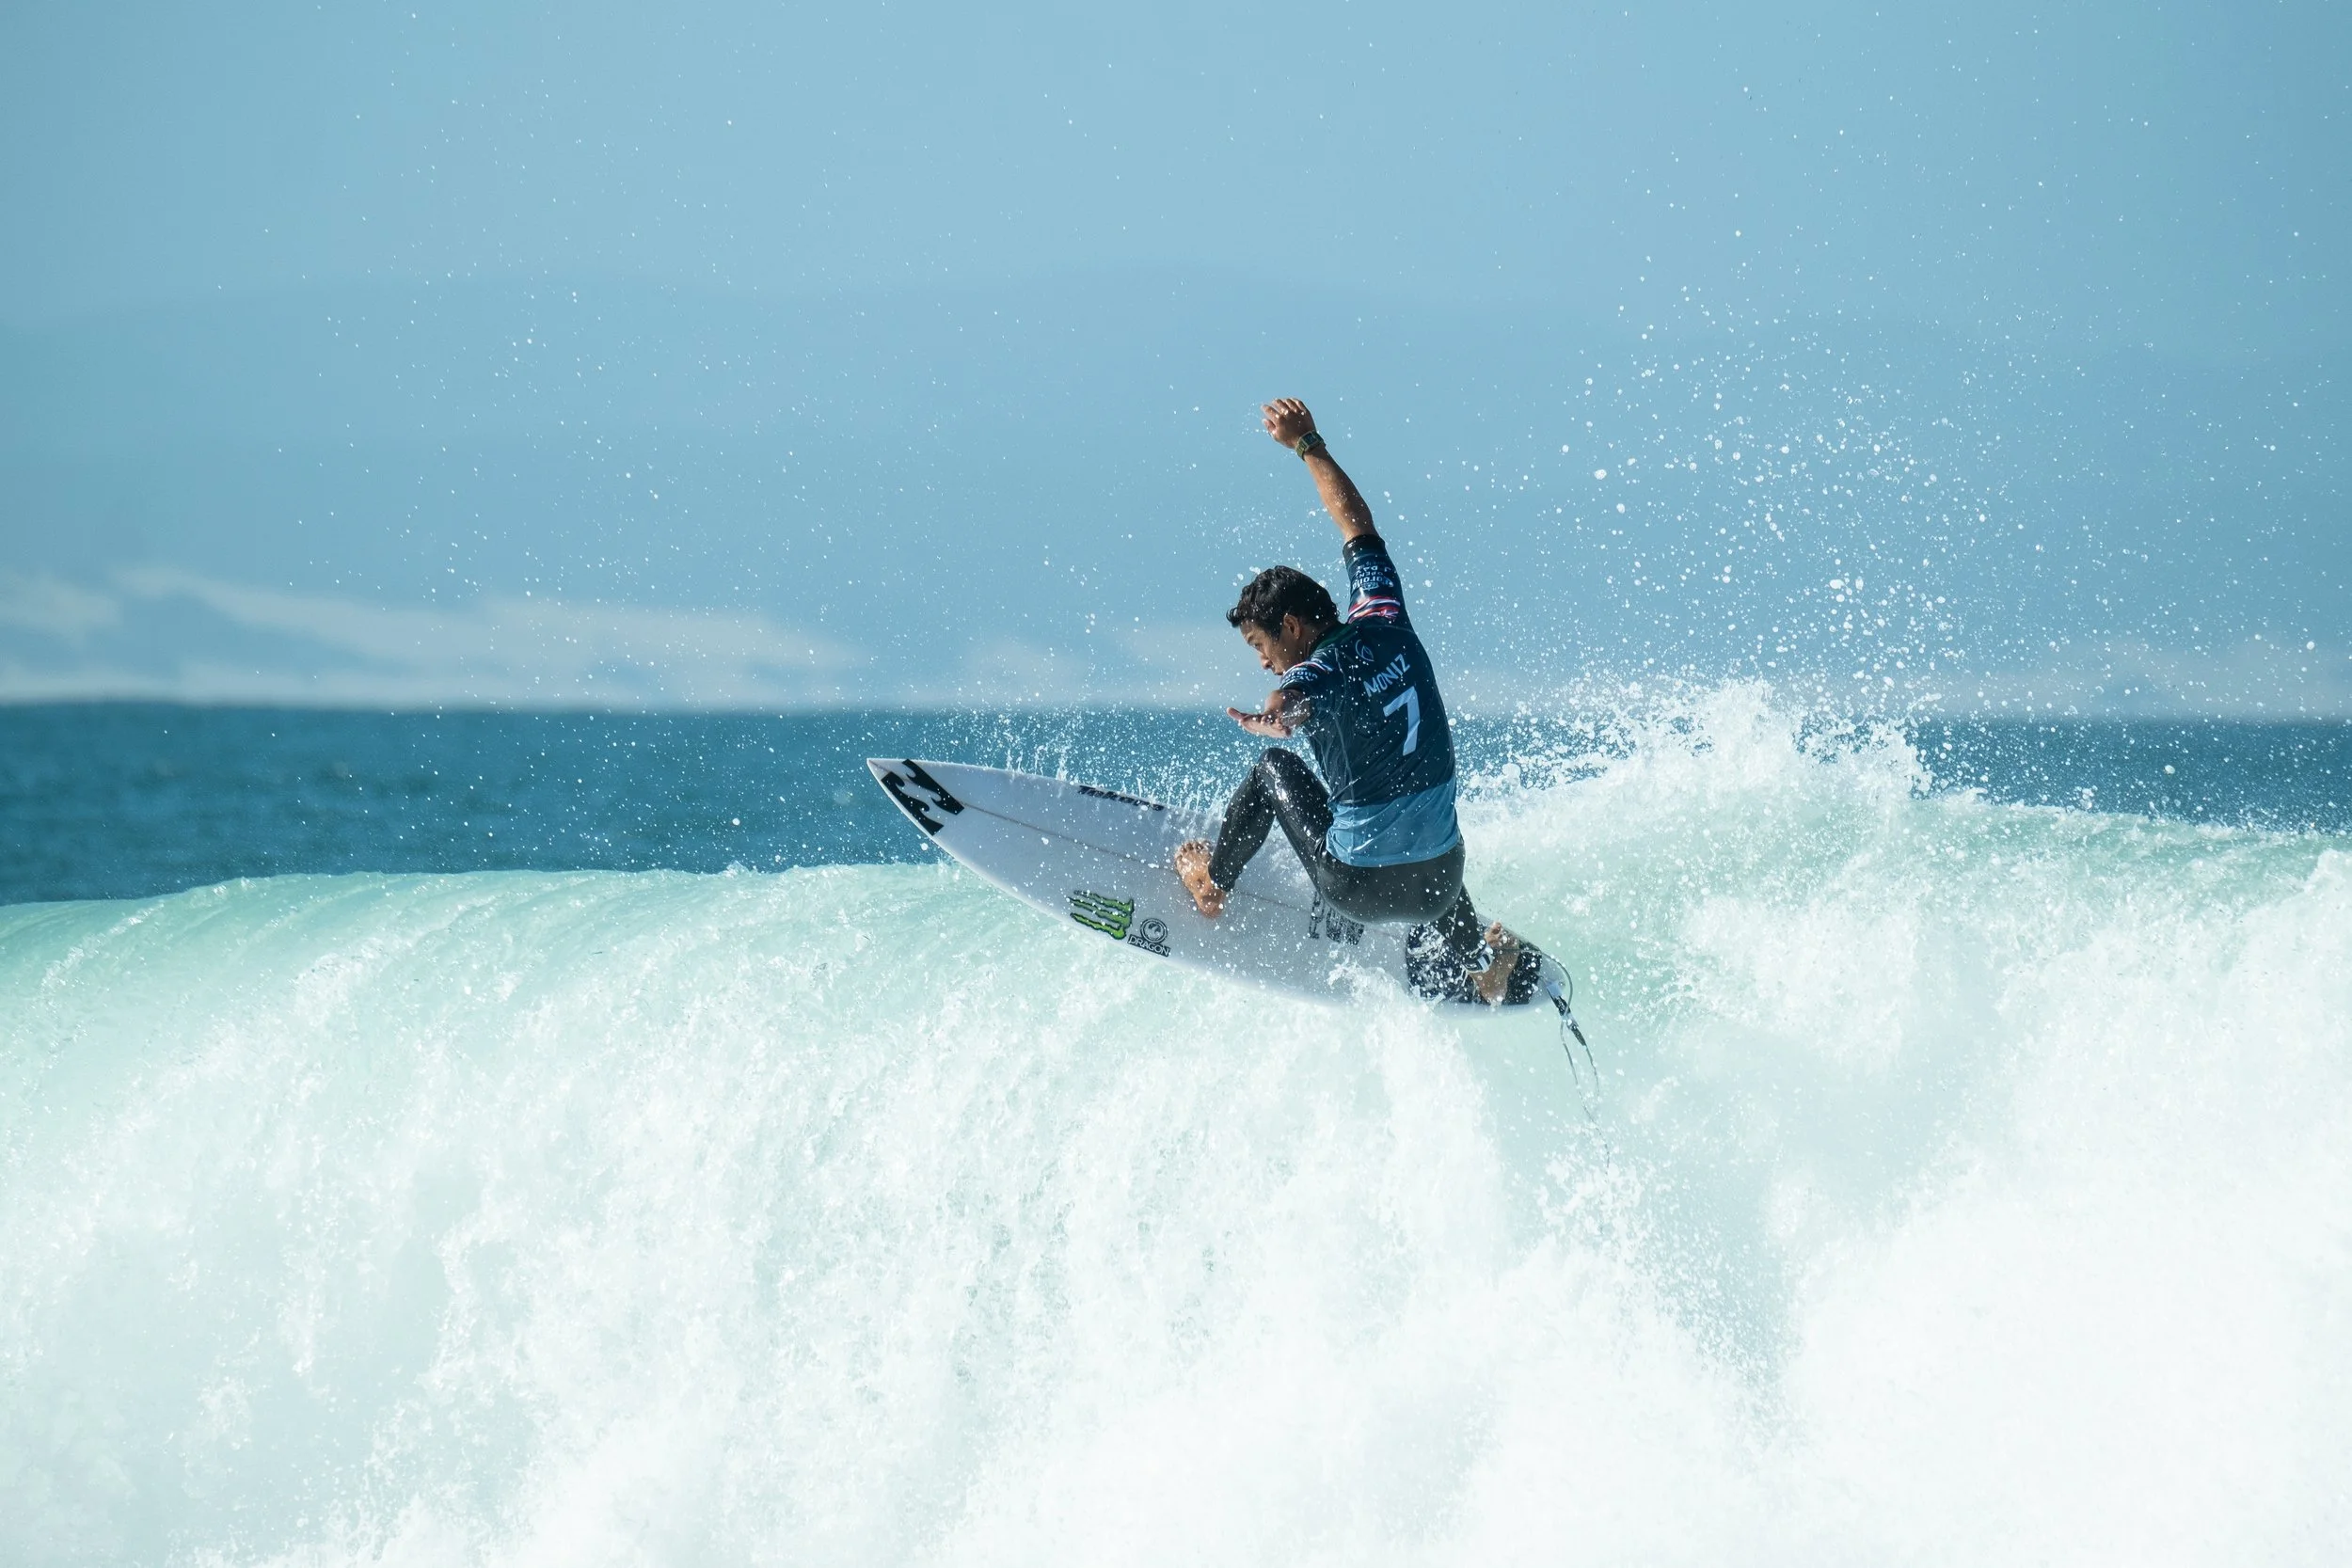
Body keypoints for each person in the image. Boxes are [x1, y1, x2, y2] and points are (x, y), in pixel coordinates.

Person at [1174, 398, 1542, 1006]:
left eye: (1260, 644)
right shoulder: (1385, 613)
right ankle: (1478, 959)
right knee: (1422, 813)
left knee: (1273, 770)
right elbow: (1356, 524)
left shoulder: (1317, 671)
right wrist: (1307, 443)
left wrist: (1273, 717)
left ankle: (1211, 882)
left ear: (1291, 626)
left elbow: (1292, 697)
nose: (1262, 659)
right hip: (1441, 888)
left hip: (1356, 888)